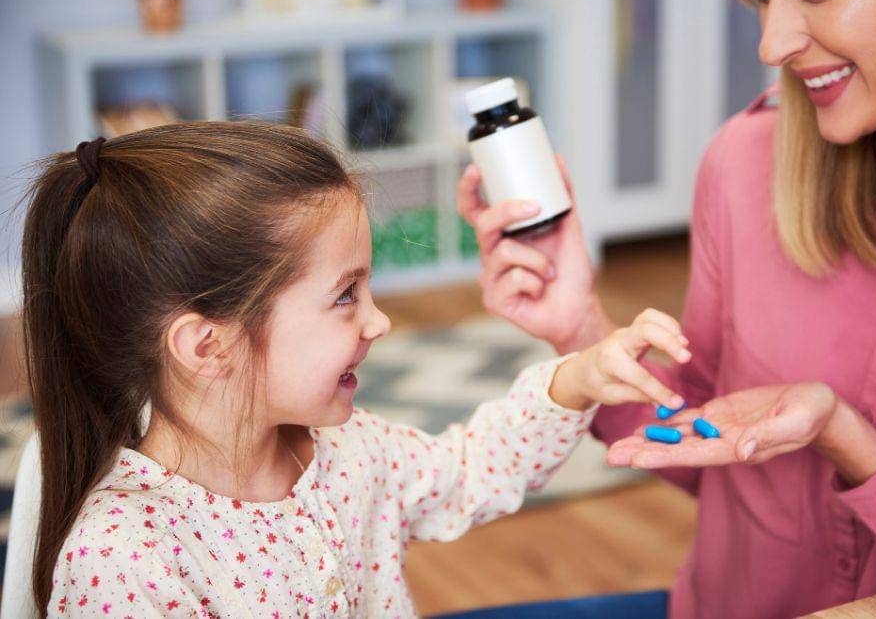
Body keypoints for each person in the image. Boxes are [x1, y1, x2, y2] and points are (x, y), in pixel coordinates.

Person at [458, 0, 876, 616]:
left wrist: (852, 441)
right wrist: (581, 328)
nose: (773, 43)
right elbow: (701, 442)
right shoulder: (744, 165)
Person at [22, 122, 689, 616]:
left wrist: (577, 375)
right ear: (207, 347)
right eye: (346, 296)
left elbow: (471, 470)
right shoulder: (123, 561)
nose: (379, 322)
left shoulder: (348, 450)